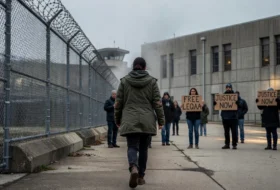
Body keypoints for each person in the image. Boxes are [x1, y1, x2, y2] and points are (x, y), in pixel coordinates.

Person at [114, 57, 165, 188]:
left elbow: (118, 103)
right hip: (147, 119)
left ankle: (133, 167)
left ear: (133, 66)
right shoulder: (152, 82)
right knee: (143, 149)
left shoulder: (124, 81)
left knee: (132, 146)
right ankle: (141, 176)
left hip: (129, 118)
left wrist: (117, 119)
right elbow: (157, 103)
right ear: (144, 67)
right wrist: (161, 120)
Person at [214, 83, 240, 150]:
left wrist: (238, 103)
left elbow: (241, 105)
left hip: (233, 117)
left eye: (229, 87)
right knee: (226, 132)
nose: (228, 88)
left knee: (234, 132)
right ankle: (227, 144)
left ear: (231, 88)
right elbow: (218, 104)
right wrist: (215, 103)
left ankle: (234, 144)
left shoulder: (235, 96)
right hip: (225, 117)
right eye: (227, 87)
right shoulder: (223, 96)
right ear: (226, 88)